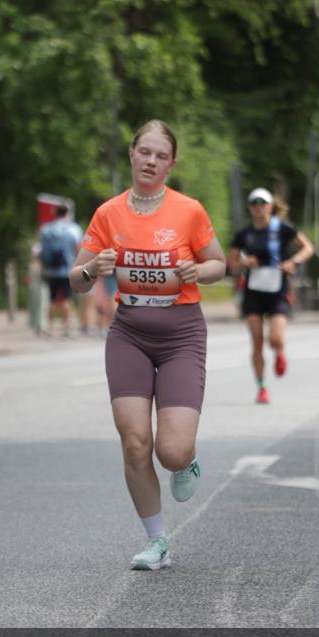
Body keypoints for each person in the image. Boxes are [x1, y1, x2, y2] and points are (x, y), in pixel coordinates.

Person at [70, 119, 226, 571]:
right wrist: (93, 268)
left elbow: (218, 262)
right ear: (132, 154)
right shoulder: (108, 214)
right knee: (135, 441)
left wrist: (202, 272)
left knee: (170, 450)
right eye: (145, 152)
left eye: (161, 155)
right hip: (130, 334)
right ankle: (157, 541)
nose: (151, 161)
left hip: (181, 334)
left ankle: (187, 461)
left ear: (171, 164)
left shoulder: (188, 211)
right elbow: (75, 281)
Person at [228, 189, 314, 404]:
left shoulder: (283, 229)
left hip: (278, 291)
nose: (258, 206)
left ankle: (279, 352)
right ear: (249, 207)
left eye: (262, 202)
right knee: (256, 342)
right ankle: (261, 387)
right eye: (254, 203)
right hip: (253, 292)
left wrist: (293, 262)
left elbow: (307, 248)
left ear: (270, 205)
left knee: (274, 338)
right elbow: (232, 263)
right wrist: (244, 263)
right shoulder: (244, 233)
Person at [39, 205, 80, 336]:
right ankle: (66, 328)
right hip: (67, 270)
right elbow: (78, 249)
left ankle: (49, 328)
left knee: (51, 299)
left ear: (55, 213)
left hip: (51, 269)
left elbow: (41, 250)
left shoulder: (46, 229)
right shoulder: (73, 229)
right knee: (67, 299)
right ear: (67, 213)